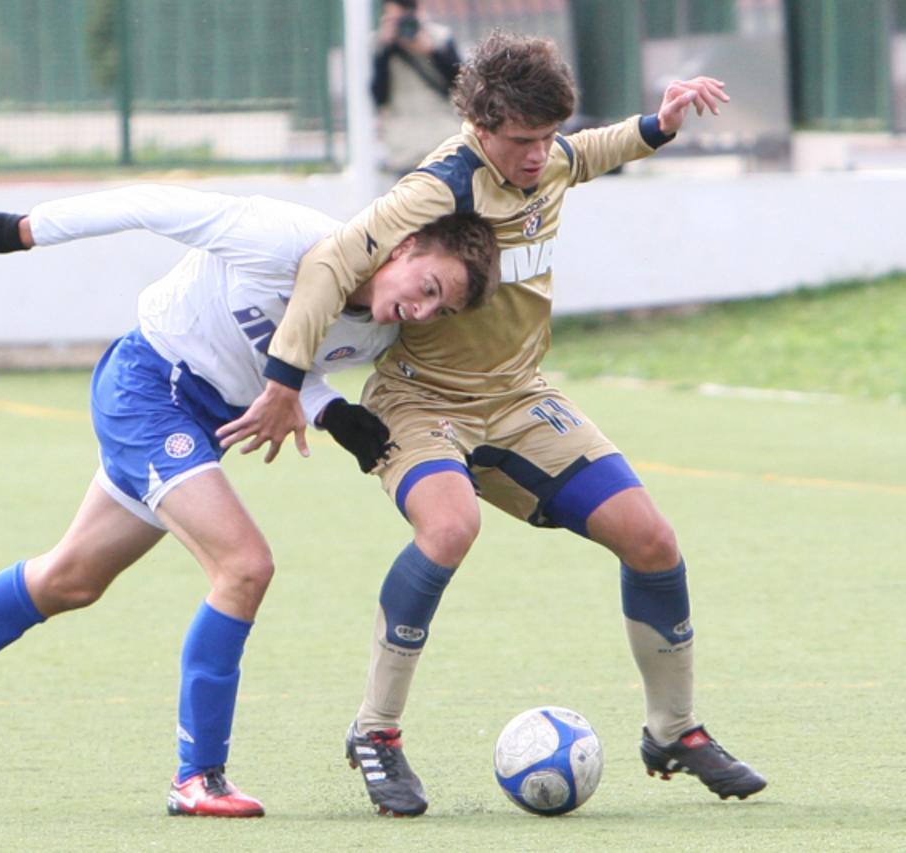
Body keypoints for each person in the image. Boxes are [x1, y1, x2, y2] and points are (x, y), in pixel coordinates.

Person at [216, 31, 766, 817]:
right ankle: (376, 730)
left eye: (547, 136)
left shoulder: (549, 159)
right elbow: (328, 263)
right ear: (481, 127)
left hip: (520, 397)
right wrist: (281, 382)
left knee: (653, 539)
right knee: (449, 528)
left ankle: (672, 727)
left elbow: (590, 152)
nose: (539, 155)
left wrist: (660, 124)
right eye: (522, 141)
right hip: (420, 400)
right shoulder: (437, 187)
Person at [0, 183, 498, 817]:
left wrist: (329, 410)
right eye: (429, 289)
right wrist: (27, 229)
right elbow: (148, 203)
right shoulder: (281, 238)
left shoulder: (378, 335)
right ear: (405, 246)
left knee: (70, 579)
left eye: (440, 312)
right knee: (244, 566)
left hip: (202, 423)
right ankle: (197, 777)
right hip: (148, 385)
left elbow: (281, 362)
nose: (420, 312)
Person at [371, 1, 463, 175]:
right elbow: (378, 95)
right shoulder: (380, 44)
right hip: (404, 145)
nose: (402, 26)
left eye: (405, 19)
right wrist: (385, 50)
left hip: (444, 140)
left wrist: (432, 51)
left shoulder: (439, 37)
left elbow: (460, 83)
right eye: (394, 20)